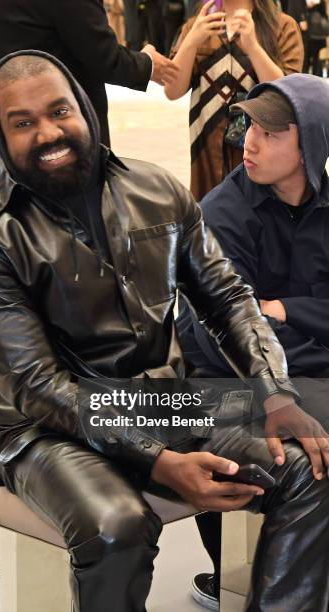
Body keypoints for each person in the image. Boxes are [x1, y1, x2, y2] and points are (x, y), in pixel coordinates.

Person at [0, 51, 329, 612]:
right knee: (117, 527)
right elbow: (38, 387)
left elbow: (228, 299)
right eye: (22, 122)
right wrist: (158, 460)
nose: (48, 132)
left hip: (159, 400)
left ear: (85, 109)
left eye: (59, 111)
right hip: (42, 428)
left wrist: (272, 388)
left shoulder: (159, 190)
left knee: (312, 466)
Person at [177, 73, 329, 610]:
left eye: (271, 132)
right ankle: (238, 580)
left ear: (311, 144)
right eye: (248, 126)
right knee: (315, 461)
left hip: (301, 383)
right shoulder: (221, 213)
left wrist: (288, 313)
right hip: (224, 392)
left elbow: (267, 329)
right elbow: (224, 341)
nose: (250, 142)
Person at [0, 0, 179, 182]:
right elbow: (101, 55)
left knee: (12, 226)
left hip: (7, 137)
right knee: (78, 227)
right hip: (63, 143)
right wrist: (147, 64)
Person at [164, 0, 303, 201]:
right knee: (210, 219)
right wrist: (192, 40)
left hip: (261, 156)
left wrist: (253, 48)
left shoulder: (281, 25)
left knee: (260, 220)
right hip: (206, 154)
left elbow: (287, 93)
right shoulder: (198, 25)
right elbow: (172, 90)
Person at [285, 0, 329, 75]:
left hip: (317, 32)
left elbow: (323, 10)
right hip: (305, 29)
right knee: (304, 58)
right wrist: (302, 18)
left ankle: (316, 79)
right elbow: (295, 6)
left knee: (317, 60)